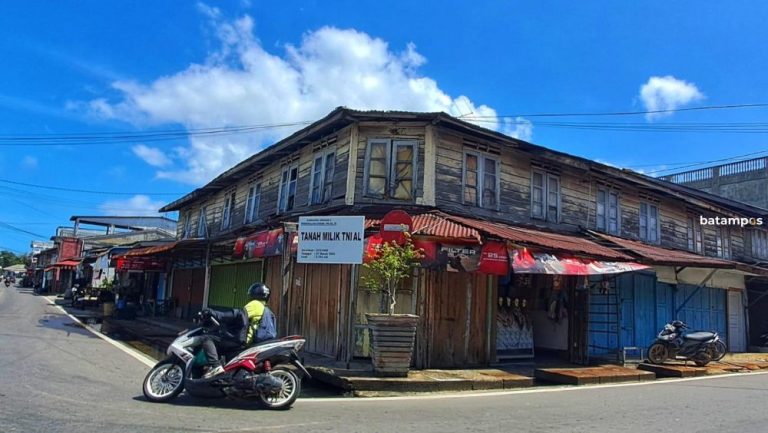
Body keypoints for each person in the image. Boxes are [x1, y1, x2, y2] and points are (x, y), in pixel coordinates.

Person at [202, 282, 269, 379]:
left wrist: (215, 313)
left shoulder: (255, 305)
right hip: (252, 342)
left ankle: (215, 367)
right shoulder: (266, 309)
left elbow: (238, 315)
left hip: (242, 341)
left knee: (207, 338)